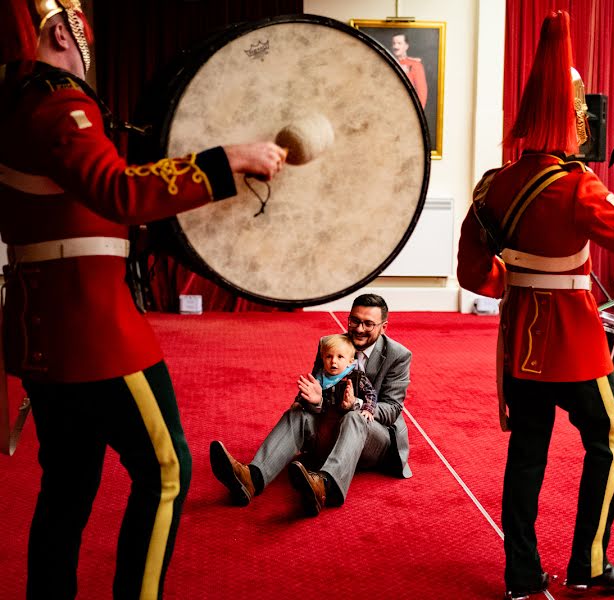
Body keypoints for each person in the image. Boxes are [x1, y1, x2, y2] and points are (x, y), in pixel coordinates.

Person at [0, 1, 287, 598]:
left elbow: (76, 211)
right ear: (62, 29)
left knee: (68, 485)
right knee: (165, 470)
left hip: (42, 328)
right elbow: (118, 194)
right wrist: (228, 159)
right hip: (94, 333)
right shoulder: (60, 101)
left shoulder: (14, 104)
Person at [457, 11, 614, 599]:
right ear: (576, 116)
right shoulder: (579, 185)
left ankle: (521, 577)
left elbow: (473, 273)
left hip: (520, 337)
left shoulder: (492, 184)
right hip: (576, 343)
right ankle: (588, 564)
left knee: (526, 455)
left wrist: (517, 281)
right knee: (607, 441)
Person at [210, 293, 412, 516]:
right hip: (332, 425)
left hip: (374, 440)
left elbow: (392, 409)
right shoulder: (331, 345)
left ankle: (325, 487)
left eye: (368, 324)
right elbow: (317, 389)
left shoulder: (398, 355)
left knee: (354, 416)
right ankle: (252, 478)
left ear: (383, 327)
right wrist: (314, 401)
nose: (359, 328)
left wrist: (356, 404)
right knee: (298, 411)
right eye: (354, 321)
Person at [301, 333, 377, 461]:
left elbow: (371, 393)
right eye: (329, 356)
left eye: (340, 357)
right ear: (322, 358)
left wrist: (368, 408)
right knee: (319, 436)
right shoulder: (320, 376)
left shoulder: (356, 376)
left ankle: (331, 462)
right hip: (324, 415)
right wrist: (299, 401)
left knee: (336, 437)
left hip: (343, 417)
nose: (333, 361)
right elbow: (307, 391)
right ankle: (314, 456)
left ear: (350, 361)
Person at [391, 33, 427, 108]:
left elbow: (421, 93)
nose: (395, 46)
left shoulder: (415, 65)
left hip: (408, 109)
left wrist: (416, 114)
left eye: (399, 43)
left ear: (406, 46)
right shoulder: (388, 64)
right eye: (394, 43)